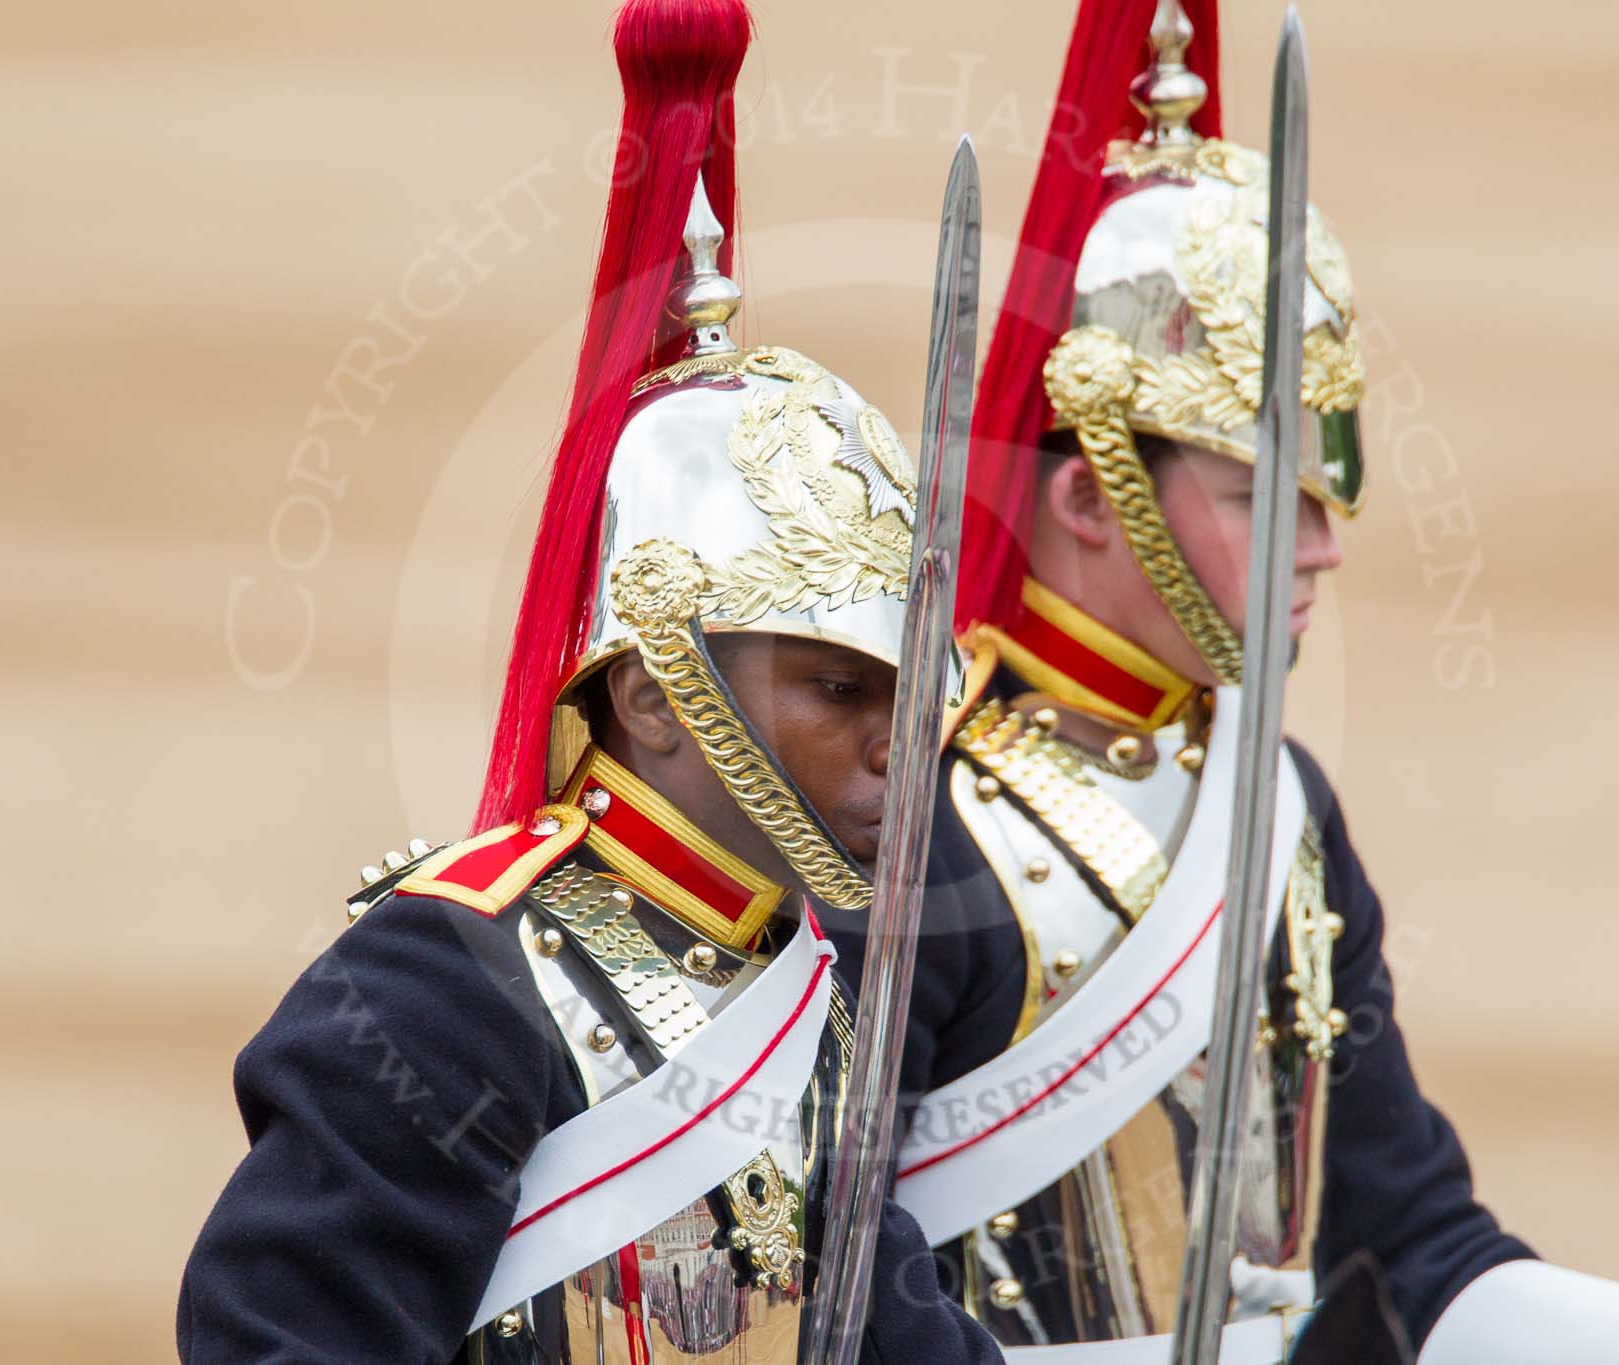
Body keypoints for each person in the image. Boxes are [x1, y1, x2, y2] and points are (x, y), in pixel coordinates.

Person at [832, 1, 1619, 1360]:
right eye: (1261, 495)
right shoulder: (917, 821)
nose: (1319, 544)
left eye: (1323, 491)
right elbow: (842, 1290)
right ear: (1091, 495)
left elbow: (1420, 1248)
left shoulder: (1278, 800)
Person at [176, 2, 1002, 1361]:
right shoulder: (445, 988)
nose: (890, 746)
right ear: (655, 695)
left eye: (900, 695)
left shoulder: (803, 983)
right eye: (838, 688)